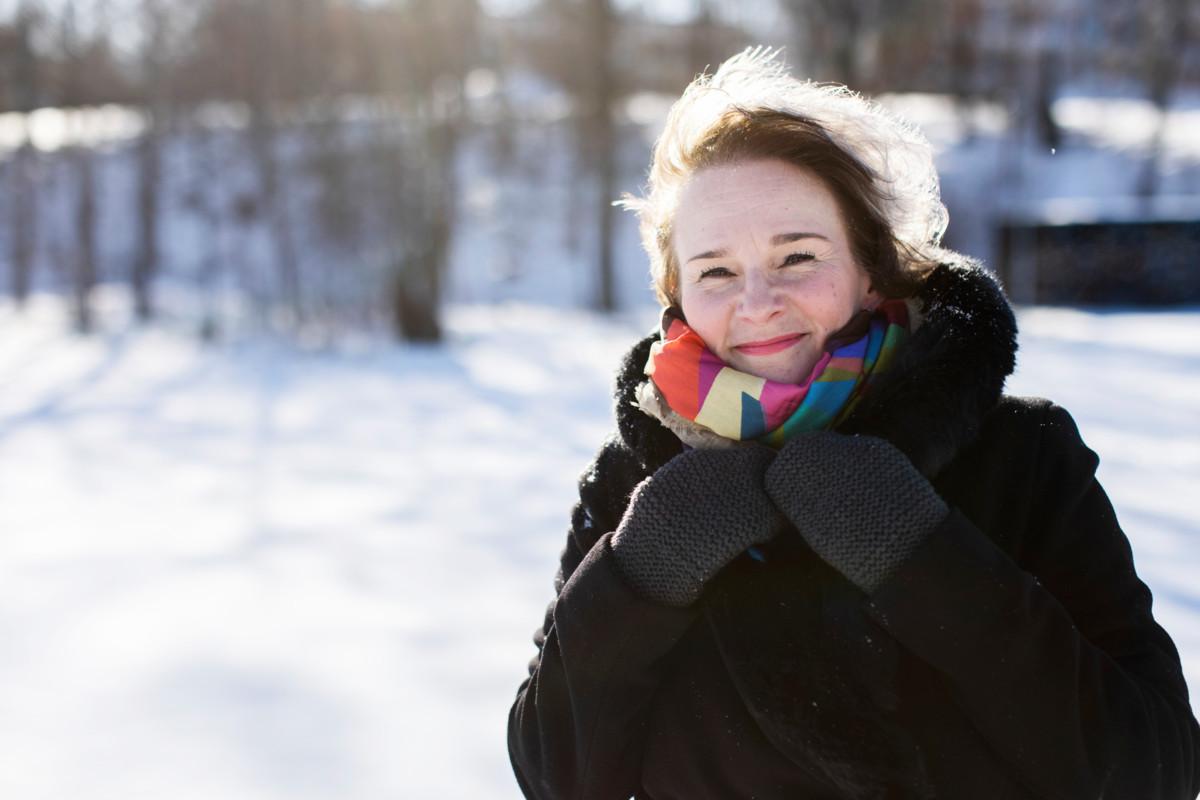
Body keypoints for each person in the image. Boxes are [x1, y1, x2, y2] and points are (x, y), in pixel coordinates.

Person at [507, 48, 1200, 799]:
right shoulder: (634, 482)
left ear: (871, 269)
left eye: (797, 256)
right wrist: (640, 577)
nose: (758, 300)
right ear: (676, 296)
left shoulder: (1023, 456)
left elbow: (1153, 769)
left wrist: (922, 555)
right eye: (715, 270)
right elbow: (554, 776)